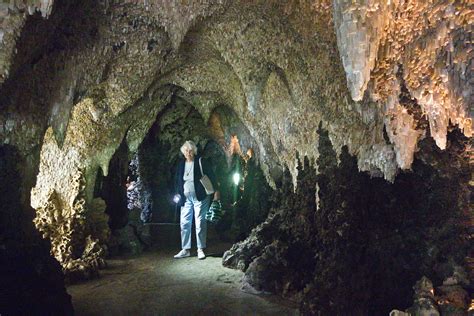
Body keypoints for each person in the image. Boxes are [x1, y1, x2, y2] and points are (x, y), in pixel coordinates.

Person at [173, 140, 220, 259]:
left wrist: (216, 191)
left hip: (201, 196)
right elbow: (177, 180)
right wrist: (178, 194)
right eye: (186, 151)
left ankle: (200, 248)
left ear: (194, 151)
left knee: (200, 222)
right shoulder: (181, 164)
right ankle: (185, 249)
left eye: (190, 150)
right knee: (184, 222)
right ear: (183, 152)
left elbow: (212, 176)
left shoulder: (201, 162)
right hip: (185, 198)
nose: (188, 153)